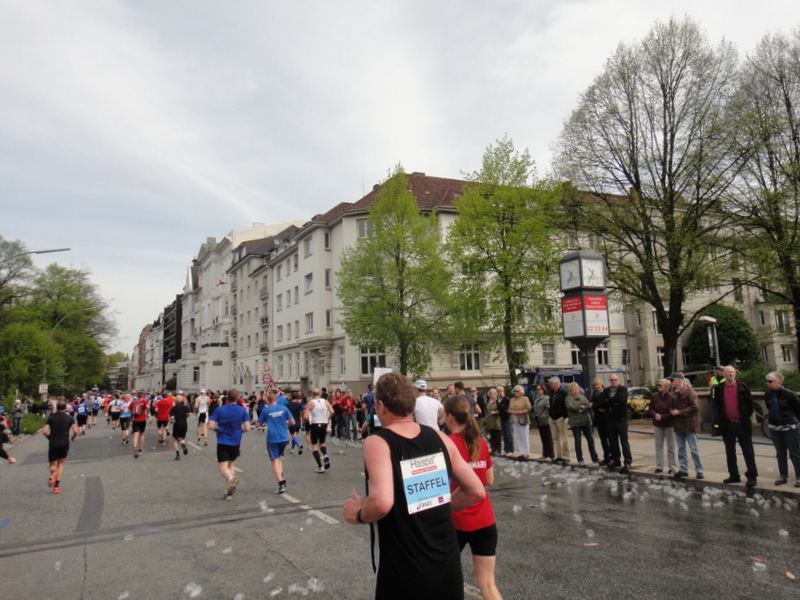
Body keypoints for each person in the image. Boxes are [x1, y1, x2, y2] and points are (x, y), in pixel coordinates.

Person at [342, 373, 485, 600]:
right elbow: (476, 491)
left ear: (381, 406)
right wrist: (435, 506)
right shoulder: (441, 439)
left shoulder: (378, 442)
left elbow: (381, 502)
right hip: (447, 566)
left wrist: (358, 514)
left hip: (403, 570)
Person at [443, 396, 503, 600]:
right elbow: (489, 479)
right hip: (485, 520)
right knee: (487, 584)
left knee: (446, 581)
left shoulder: (449, 444)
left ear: (450, 417)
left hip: (458, 520)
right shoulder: (480, 442)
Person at [712, 366, 757, 487]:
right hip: (728, 424)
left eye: (733, 372)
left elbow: (750, 404)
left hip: (742, 424)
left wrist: (745, 416)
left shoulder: (742, 387)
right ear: (724, 374)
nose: (731, 374)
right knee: (730, 451)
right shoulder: (719, 389)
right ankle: (734, 474)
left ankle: (752, 475)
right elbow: (717, 405)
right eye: (728, 373)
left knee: (748, 450)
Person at [208, 387, 251, 500]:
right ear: (237, 398)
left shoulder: (220, 410)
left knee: (222, 466)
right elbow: (247, 428)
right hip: (236, 441)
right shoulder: (242, 411)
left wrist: (217, 430)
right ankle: (228, 492)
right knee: (231, 465)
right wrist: (239, 431)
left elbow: (211, 425)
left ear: (227, 397)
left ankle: (231, 480)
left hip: (223, 440)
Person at [764, 371, 800, 487]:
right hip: (775, 427)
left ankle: (799, 476)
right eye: (767, 381)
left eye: (770, 381)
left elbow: (797, 409)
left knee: (794, 453)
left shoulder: (788, 394)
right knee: (780, 453)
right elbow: (769, 407)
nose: (767, 383)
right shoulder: (768, 394)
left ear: (778, 382)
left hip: (789, 427)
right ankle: (783, 475)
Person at [256, 391, 295, 494]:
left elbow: (257, 424)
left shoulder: (266, 410)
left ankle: (281, 483)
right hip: (284, 437)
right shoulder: (284, 408)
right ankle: (282, 477)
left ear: (268, 401)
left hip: (272, 438)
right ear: (276, 400)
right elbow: (292, 422)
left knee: (274, 461)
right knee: (279, 459)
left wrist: (265, 421)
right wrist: (284, 422)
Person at [669, 373, 704, 479]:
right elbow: (670, 407)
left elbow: (695, 407)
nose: (672, 382)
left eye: (673, 380)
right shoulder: (673, 394)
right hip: (678, 425)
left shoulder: (690, 392)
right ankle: (683, 469)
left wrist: (679, 412)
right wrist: (672, 412)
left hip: (690, 424)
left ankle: (699, 470)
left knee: (694, 449)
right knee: (681, 448)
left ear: (680, 380)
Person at [42, 400, 79, 494]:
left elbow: (44, 431)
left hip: (53, 442)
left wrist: (49, 437)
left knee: (53, 464)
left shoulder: (51, 417)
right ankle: (57, 486)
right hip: (64, 442)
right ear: (65, 408)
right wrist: (73, 438)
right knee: (61, 463)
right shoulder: (70, 418)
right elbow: (75, 430)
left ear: (56, 407)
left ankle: (53, 473)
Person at [599, 374, 631, 473]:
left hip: (621, 420)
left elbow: (621, 399)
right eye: (612, 380)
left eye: (616, 380)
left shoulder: (623, 389)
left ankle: (628, 462)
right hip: (610, 420)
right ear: (609, 381)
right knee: (613, 442)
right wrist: (611, 402)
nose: (614, 381)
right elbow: (603, 402)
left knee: (624, 441)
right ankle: (616, 460)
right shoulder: (606, 391)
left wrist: (609, 401)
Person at [565, 381, 598, 466]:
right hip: (575, 423)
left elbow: (588, 405)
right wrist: (580, 407)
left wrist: (584, 408)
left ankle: (595, 458)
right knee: (578, 441)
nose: (576, 391)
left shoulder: (583, 397)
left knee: (590, 439)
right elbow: (570, 407)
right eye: (574, 389)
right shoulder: (568, 398)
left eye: (577, 389)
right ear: (571, 390)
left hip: (585, 422)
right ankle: (580, 459)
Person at [649, 379, 677, 475]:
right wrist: (655, 414)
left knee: (671, 446)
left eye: (660, 385)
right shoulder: (654, 396)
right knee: (658, 446)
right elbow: (651, 408)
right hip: (657, 424)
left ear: (666, 386)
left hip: (669, 424)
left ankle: (672, 467)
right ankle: (659, 466)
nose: (658, 386)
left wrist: (663, 416)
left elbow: (672, 410)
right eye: (658, 385)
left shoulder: (671, 397)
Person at [306, 388, 334, 473]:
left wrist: (309, 420)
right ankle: (325, 455)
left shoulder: (310, 403)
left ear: (312, 395)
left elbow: (305, 416)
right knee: (322, 443)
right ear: (320, 394)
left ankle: (320, 466)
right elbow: (332, 411)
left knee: (314, 446)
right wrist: (328, 418)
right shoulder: (325, 401)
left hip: (315, 423)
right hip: (324, 423)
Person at [547, 378, 570, 465]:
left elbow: (567, 404)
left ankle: (566, 456)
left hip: (561, 417)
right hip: (552, 417)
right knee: (555, 437)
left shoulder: (564, 393)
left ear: (556, 384)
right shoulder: (551, 393)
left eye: (551, 383)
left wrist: (565, 416)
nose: (550, 385)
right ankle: (559, 455)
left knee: (564, 437)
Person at [590, 379, 611, 465]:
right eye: (595, 385)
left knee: (609, 439)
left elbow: (605, 404)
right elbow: (592, 405)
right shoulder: (594, 394)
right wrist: (596, 406)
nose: (597, 387)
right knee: (603, 440)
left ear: (602, 385)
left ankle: (611, 457)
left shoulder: (605, 393)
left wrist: (596, 405)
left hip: (606, 419)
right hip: (598, 419)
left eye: (598, 385)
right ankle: (606, 457)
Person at [507, 385, 532, 458]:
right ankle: (521, 451)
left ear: (521, 392)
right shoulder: (512, 400)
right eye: (514, 391)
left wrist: (520, 412)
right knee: (518, 436)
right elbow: (509, 408)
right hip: (514, 419)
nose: (515, 392)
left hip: (522, 419)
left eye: (517, 391)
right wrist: (511, 411)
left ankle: (526, 452)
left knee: (524, 436)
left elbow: (529, 408)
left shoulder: (525, 399)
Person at [533, 385, 554, 460]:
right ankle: (545, 454)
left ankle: (550, 454)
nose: (538, 391)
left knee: (548, 438)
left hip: (545, 421)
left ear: (543, 390)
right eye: (537, 389)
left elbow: (547, 409)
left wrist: (542, 416)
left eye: (539, 389)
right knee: (543, 438)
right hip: (539, 421)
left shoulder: (546, 398)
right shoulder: (536, 399)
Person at [170, 394, 191, 461]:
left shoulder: (174, 408)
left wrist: (172, 419)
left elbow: (172, 417)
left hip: (177, 424)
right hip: (184, 424)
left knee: (175, 439)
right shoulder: (185, 407)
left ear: (175, 401)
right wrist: (185, 416)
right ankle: (183, 444)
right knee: (182, 437)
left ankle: (178, 454)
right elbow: (189, 414)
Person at [130, 393, 149, 458]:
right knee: (141, 434)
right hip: (143, 419)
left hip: (135, 420)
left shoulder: (133, 402)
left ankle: (135, 448)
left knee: (135, 434)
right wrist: (147, 413)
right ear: (142, 396)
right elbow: (148, 407)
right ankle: (140, 449)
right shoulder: (144, 401)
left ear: (137, 396)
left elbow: (130, 410)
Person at [484, 388, 502, 455]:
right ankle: (493, 448)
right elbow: (486, 411)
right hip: (490, 421)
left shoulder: (497, 401)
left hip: (496, 421)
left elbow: (500, 410)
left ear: (495, 394)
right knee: (492, 435)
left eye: (491, 393)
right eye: (489, 393)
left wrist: (495, 412)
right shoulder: (488, 402)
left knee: (497, 435)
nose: (490, 395)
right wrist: (485, 418)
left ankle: (498, 449)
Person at [496, 386, 513, 456]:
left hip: (507, 418)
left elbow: (510, 407)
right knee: (504, 434)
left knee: (509, 434)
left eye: (501, 391)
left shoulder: (506, 399)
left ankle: (510, 450)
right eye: (498, 392)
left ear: (503, 392)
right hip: (502, 418)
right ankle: (506, 449)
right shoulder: (498, 400)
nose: (500, 393)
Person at [709, 366, 726, 436]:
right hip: (714, 398)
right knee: (715, 415)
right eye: (719, 370)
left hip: (723, 399)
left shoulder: (725, 378)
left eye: (721, 370)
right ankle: (717, 429)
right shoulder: (713, 378)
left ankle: (724, 429)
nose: (719, 371)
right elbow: (710, 387)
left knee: (723, 414)